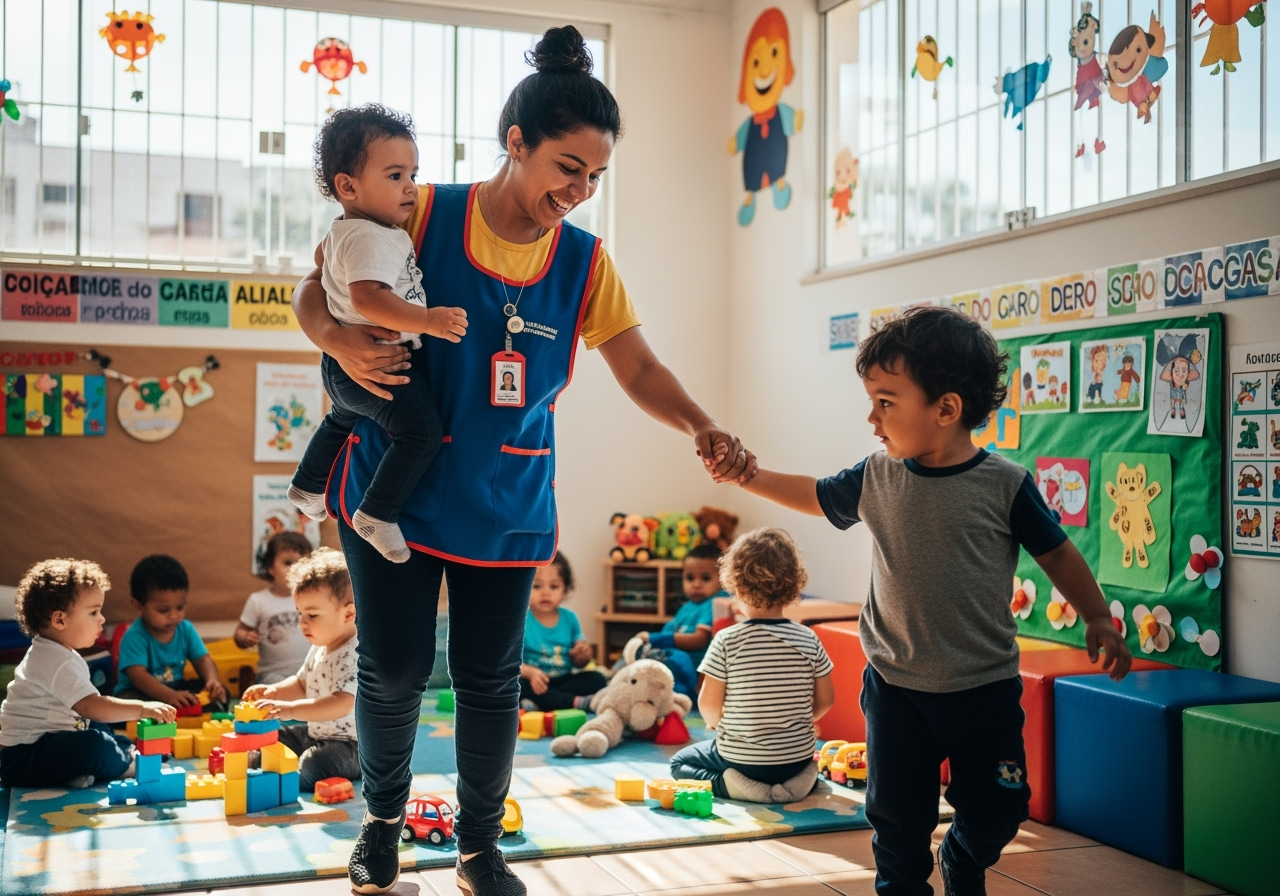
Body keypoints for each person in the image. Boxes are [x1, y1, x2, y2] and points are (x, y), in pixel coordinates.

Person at [291, 25, 754, 896]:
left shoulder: (583, 262)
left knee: (488, 680)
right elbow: (318, 285)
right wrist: (340, 346)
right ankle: (382, 823)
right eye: (566, 168)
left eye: (595, 177)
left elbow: (639, 366)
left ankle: (478, 846)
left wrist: (699, 424)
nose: (578, 191)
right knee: (390, 672)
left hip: (504, 496)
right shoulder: (421, 210)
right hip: (393, 485)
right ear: (517, 144)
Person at [734, 306, 1133, 896]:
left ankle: (964, 860)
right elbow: (816, 495)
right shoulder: (877, 475)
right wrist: (747, 474)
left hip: (983, 689)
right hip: (897, 688)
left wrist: (1098, 614)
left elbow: (1057, 554)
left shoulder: (1005, 485)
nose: (872, 418)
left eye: (886, 402)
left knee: (1001, 809)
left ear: (945, 409)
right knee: (898, 825)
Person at [287, 104, 469, 564]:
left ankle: (307, 485)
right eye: (395, 176)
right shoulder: (372, 236)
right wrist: (428, 321)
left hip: (343, 366)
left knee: (342, 417)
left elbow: (320, 257)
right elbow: (368, 298)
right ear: (348, 186)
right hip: (373, 359)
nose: (410, 187)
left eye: (413, 173)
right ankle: (377, 512)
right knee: (422, 434)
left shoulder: (352, 228)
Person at [669, 529, 833, 804]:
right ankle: (804, 778)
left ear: (736, 587)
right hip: (797, 757)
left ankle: (734, 787)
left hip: (743, 761)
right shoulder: (809, 637)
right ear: (793, 586)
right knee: (798, 761)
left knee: (679, 763)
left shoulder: (726, 640)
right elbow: (827, 700)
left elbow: (708, 706)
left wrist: (716, 723)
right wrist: (797, 723)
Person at [0, 559, 176, 789]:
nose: (102, 619)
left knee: (96, 728)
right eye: (93, 612)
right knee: (92, 743)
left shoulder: (58, 652)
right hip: (22, 760)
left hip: (49, 745)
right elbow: (92, 705)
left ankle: (105, 759)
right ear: (60, 619)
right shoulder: (54, 660)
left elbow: (88, 715)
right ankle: (125, 764)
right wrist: (141, 708)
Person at [242, 547, 360, 792]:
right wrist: (272, 692)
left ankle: (287, 780)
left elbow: (342, 703)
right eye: (300, 613)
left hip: (352, 747)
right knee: (275, 737)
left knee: (315, 764)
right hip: (315, 733)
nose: (302, 623)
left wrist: (290, 709)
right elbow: (301, 684)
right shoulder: (320, 645)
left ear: (348, 613)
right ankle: (258, 763)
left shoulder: (355, 653)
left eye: (312, 615)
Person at [114, 555, 229, 712]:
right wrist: (168, 695)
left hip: (175, 687)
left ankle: (178, 711)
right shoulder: (135, 636)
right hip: (139, 692)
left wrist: (212, 681)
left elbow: (203, 660)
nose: (174, 616)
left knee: (220, 693)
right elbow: (137, 676)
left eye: (180, 608)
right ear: (139, 606)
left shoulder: (185, 628)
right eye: (163, 610)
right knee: (125, 705)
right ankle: (176, 711)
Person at [632, 542, 725, 696]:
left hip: (697, 672)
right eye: (689, 578)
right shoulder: (687, 606)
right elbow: (674, 628)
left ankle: (675, 695)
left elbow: (700, 639)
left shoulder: (714, 603)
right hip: (677, 665)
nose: (696, 584)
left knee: (669, 665)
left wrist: (659, 639)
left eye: (706, 578)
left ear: (723, 578)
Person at [519, 553, 606, 712]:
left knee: (597, 679)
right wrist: (530, 673)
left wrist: (583, 655)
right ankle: (574, 702)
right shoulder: (521, 619)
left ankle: (541, 703)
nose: (546, 593)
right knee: (514, 686)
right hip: (533, 681)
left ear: (565, 589)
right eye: (536, 586)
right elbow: (509, 664)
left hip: (563, 681)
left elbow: (581, 661)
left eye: (554, 587)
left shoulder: (570, 618)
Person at [234, 532, 313, 685]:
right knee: (275, 692)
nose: (296, 568)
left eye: (302, 563)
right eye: (288, 563)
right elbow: (240, 633)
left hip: (312, 670)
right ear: (270, 567)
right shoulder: (258, 600)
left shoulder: (314, 598)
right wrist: (244, 637)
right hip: (273, 673)